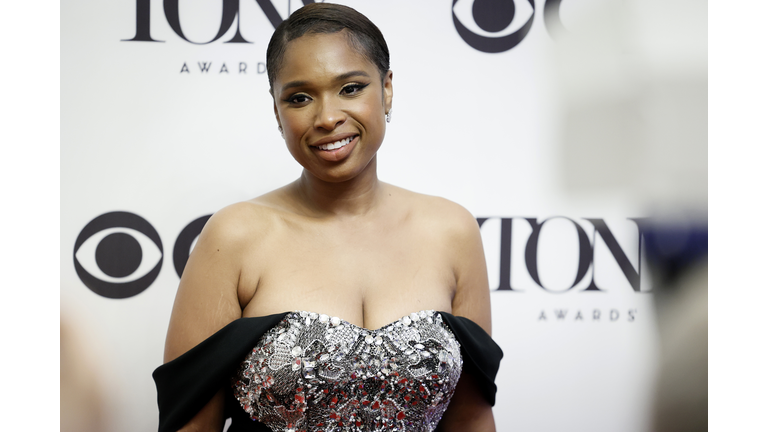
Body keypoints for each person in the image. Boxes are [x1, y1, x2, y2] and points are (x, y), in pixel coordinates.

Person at [153, 4, 502, 432]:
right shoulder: (235, 236)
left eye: (351, 88)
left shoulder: (452, 231)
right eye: (299, 98)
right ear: (277, 109)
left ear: (387, 89)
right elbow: (191, 425)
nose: (328, 118)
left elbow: (471, 417)